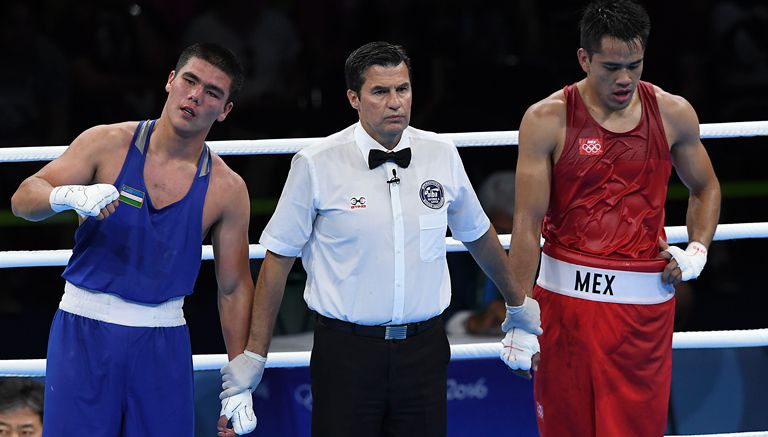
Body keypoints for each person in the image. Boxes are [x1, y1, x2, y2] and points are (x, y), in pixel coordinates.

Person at [216, 41, 542, 437]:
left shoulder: (441, 153)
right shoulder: (316, 163)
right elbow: (277, 261)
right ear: (354, 97)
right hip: (345, 354)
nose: (395, 102)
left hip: (424, 350)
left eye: (402, 89)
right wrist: (254, 354)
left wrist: (518, 304)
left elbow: (478, 235)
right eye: (380, 91)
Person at [10, 43, 254, 436]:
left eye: (212, 92)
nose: (195, 95)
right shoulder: (106, 143)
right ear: (171, 81)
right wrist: (64, 196)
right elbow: (23, 198)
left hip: (163, 340)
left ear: (225, 110)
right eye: (190, 81)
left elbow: (233, 286)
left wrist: (241, 378)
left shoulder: (227, 188)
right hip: (83, 330)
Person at [507, 1, 721, 436]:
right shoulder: (547, 119)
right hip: (566, 306)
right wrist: (519, 314)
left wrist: (697, 249)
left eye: (634, 65)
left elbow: (706, 187)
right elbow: (527, 223)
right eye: (610, 67)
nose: (624, 79)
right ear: (584, 59)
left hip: (642, 309)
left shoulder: (672, 112)